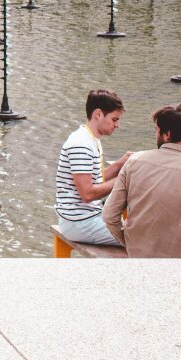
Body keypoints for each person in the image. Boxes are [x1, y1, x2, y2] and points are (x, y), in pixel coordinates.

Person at [102, 102, 181, 258]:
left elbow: (109, 215)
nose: (156, 135)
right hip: (179, 264)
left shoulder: (134, 161)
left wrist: (129, 243)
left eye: (156, 131)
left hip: (137, 257)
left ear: (166, 135)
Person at [54, 89, 131, 247]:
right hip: (80, 223)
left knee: (141, 230)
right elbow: (87, 194)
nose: (117, 125)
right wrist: (122, 180)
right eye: (114, 119)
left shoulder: (90, 138)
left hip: (85, 218)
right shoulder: (81, 144)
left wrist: (119, 164)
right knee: (143, 238)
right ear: (98, 114)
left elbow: (94, 179)